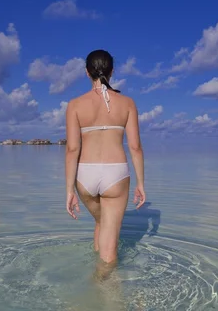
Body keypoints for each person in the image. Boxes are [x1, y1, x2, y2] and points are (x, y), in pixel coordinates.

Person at [64, 49, 146, 274]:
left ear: (86, 72)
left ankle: (97, 278)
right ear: (112, 71)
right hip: (115, 175)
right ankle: (104, 298)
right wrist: (140, 183)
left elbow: (72, 149)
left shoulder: (75, 105)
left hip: (84, 175)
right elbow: (135, 147)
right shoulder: (127, 103)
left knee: (101, 223)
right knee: (109, 255)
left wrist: (69, 190)